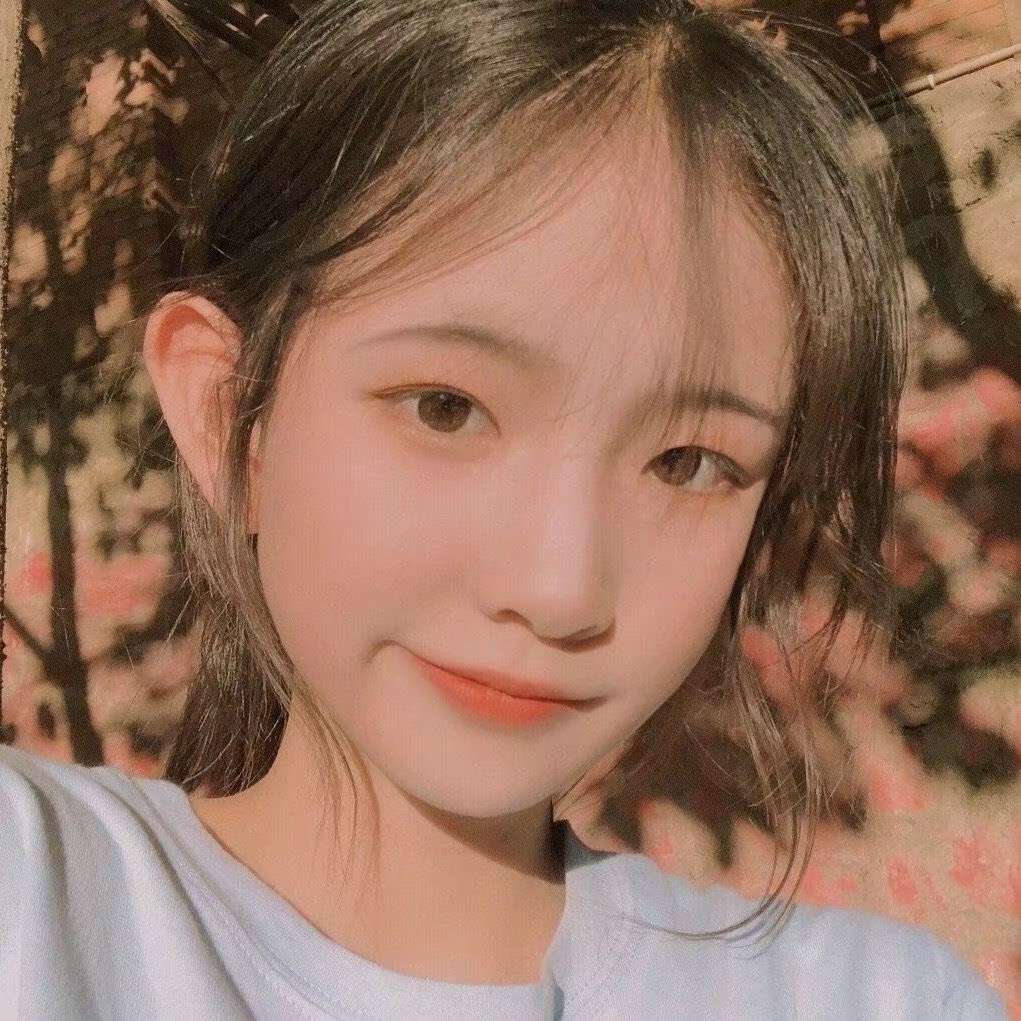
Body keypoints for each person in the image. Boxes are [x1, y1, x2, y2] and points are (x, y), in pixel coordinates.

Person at [0, 1, 1009, 1017]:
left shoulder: (879, 1000)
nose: (558, 590)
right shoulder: (35, 895)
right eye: (445, 408)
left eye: (688, 462)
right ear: (229, 414)